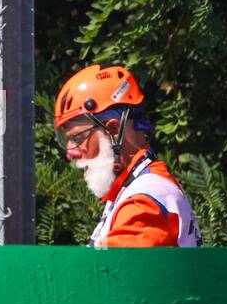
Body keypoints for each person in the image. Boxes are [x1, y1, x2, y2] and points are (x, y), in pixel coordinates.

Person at [53, 64, 201, 248]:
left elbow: (107, 274)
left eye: (78, 137)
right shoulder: (132, 189)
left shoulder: (144, 202)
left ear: (113, 130)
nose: (70, 153)